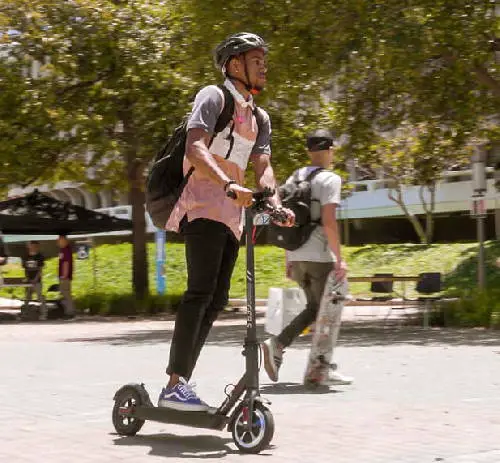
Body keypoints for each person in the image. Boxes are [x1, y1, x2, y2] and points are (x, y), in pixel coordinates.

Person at [161, 32, 295, 411]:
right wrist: (227, 183)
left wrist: (275, 204)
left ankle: (180, 382)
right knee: (200, 293)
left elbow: (264, 168)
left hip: (233, 216)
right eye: (256, 59)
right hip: (202, 203)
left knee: (216, 299)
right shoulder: (213, 96)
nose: (264, 65)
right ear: (235, 64)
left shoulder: (259, 118)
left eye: (264, 59)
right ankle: (174, 385)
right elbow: (196, 146)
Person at [262, 129, 353, 386]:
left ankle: (322, 365)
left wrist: (288, 258)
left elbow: (287, 219)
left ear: (309, 151)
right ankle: (279, 345)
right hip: (319, 256)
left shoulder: (296, 175)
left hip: (297, 254)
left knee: (316, 309)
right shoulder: (330, 180)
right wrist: (339, 258)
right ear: (329, 150)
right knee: (324, 311)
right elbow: (329, 221)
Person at [22, 240, 47, 319]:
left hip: (37, 280)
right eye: (31, 246)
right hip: (28, 280)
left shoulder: (40, 256)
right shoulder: (25, 256)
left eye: (35, 246)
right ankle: (25, 313)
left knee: (40, 297)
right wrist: (27, 278)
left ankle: (44, 314)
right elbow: (25, 268)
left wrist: (36, 279)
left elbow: (40, 269)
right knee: (27, 297)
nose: (33, 248)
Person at [57, 235, 75, 318]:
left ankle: (70, 312)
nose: (58, 242)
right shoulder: (62, 250)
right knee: (64, 293)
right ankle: (67, 311)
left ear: (65, 241)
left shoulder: (66, 250)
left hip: (65, 277)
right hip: (63, 276)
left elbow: (66, 263)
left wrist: (64, 275)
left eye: (60, 240)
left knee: (66, 294)